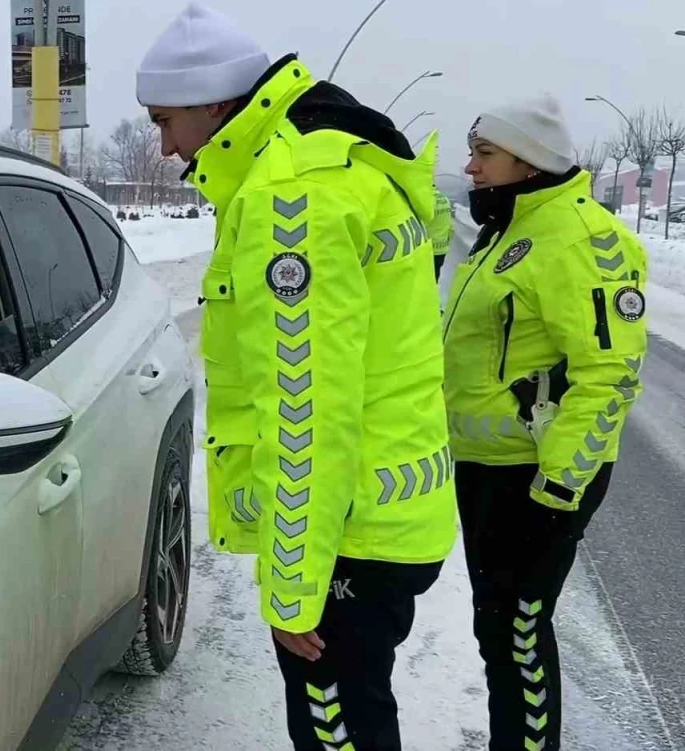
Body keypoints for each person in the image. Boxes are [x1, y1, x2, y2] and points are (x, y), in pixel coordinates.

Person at [136, 4, 456, 748]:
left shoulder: (293, 197)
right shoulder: (329, 159)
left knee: (338, 731)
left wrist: (293, 586)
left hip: (350, 536)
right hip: (380, 519)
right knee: (360, 718)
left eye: (165, 121)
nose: (165, 145)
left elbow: (307, 410)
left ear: (215, 105)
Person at [445, 94, 648, 749]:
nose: (470, 167)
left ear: (529, 162)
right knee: (498, 630)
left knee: (520, 632)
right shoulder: (510, 228)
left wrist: (558, 489)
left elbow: (609, 374)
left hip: (535, 477)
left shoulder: (582, 238)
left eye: (485, 153)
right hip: (487, 468)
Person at [430, 185, 455, 280]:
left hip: (429, 248)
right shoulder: (445, 199)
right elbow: (450, 225)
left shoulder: (426, 201)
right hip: (442, 248)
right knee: (435, 277)